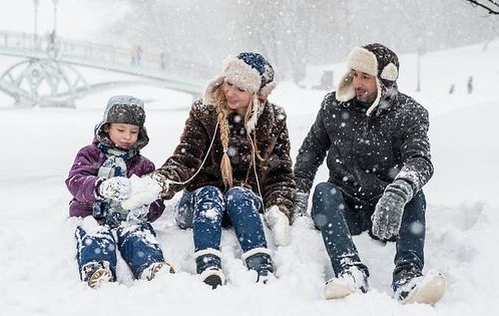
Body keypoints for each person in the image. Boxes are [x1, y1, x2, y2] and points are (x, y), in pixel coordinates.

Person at [293, 43, 445, 304]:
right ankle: (350, 271)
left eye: (365, 76)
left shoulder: (409, 114)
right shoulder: (333, 106)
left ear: (384, 80)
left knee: (414, 194)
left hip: (388, 212)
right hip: (345, 209)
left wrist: (398, 192)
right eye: (354, 74)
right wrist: (297, 195)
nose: (357, 82)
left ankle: (407, 278)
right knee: (323, 192)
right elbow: (310, 153)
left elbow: (420, 160)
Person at [129, 52, 295, 289]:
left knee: (239, 194)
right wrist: (160, 182)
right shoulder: (204, 112)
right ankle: (208, 264)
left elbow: (280, 174)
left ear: (258, 95)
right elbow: (185, 159)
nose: (230, 92)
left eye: (240, 88)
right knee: (210, 193)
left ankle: (261, 265)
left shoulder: (273, 120)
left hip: (242, 206)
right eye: (228, 83)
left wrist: (280, 208)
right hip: (198, 204)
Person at [65, 95, 174, 288]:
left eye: (133, 132)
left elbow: (155, 197)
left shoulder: (144, 165)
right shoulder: (89, 154)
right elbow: (75, 181)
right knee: (95, 235)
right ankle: (97, 267)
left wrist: (146, 209)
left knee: (139, 234)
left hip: (127, 219)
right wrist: (100, 187)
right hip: (91, 215)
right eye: (121, 130)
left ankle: (151, 265)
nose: (127, 137)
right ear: (107, 127)